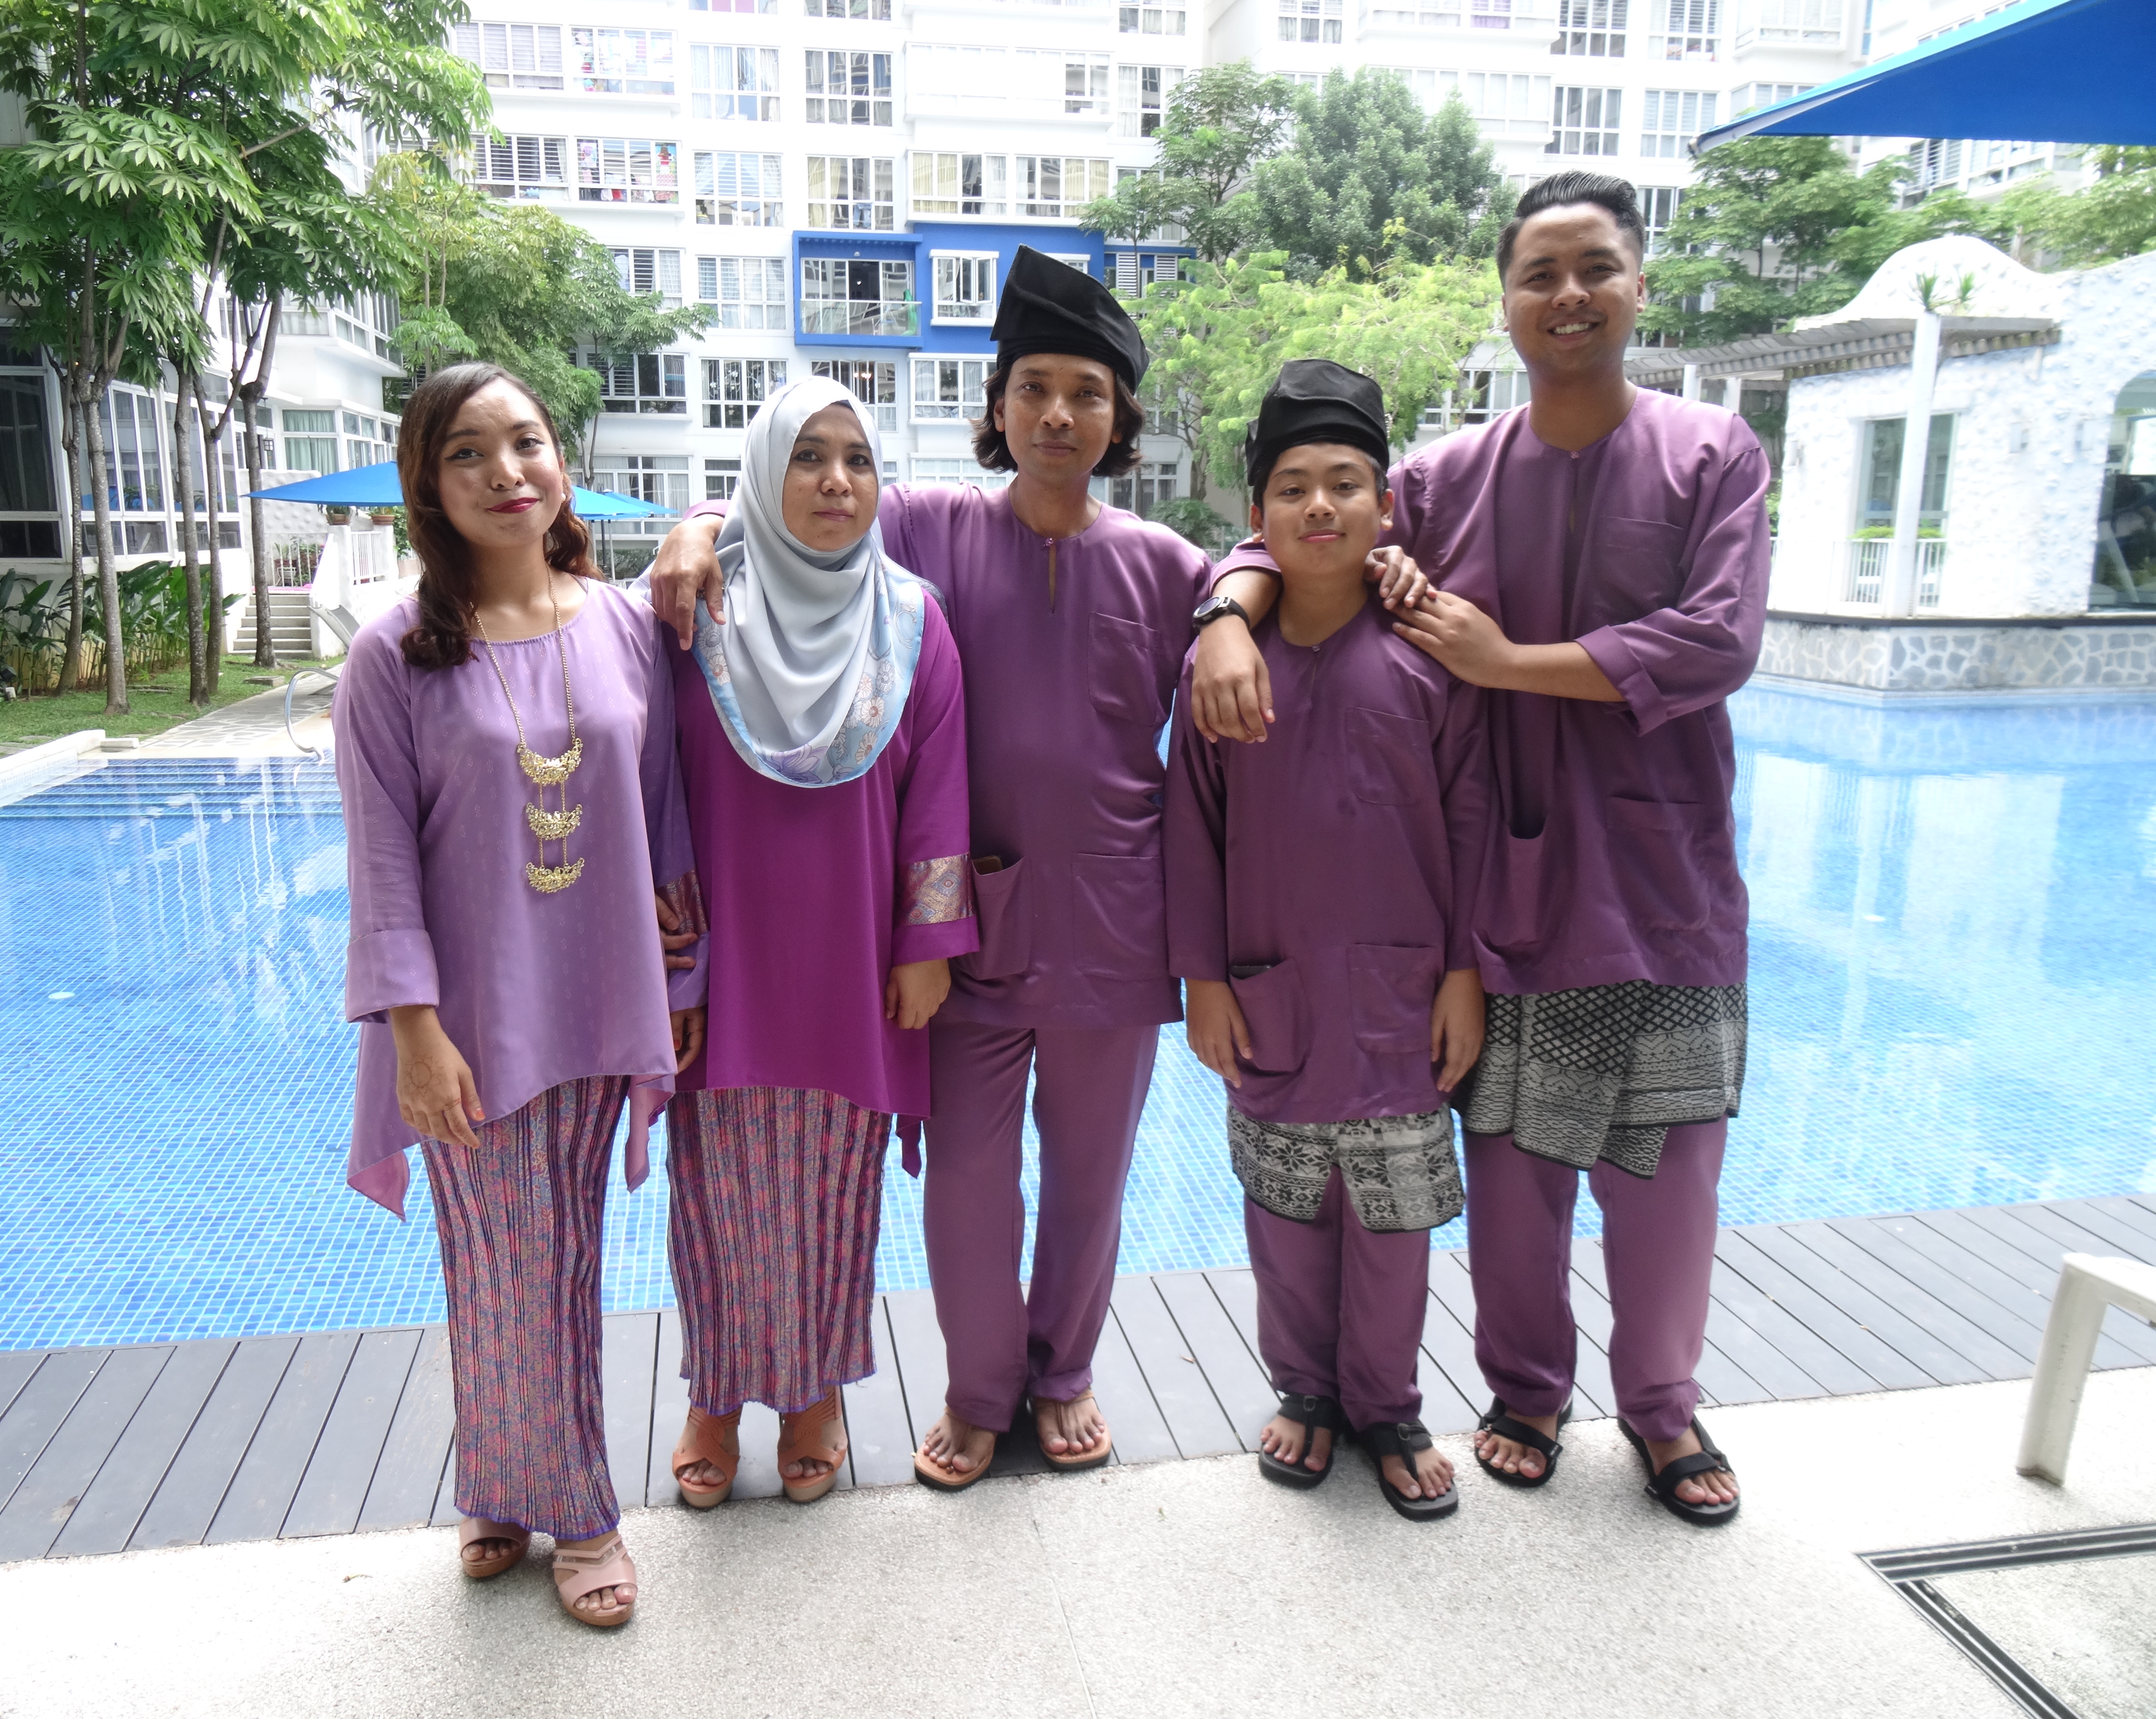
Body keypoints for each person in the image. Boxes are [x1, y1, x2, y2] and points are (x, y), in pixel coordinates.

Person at [1192, 172, 1767, 1527]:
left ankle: (1667, 1411)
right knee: (1515, 1182)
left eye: (1596, 269)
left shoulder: (1710, 456)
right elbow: (1305, 528)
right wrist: (1225, 605)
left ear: (1640, 285)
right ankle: (1524, 1391)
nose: (1569, 296)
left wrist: (1509, 660)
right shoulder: (1443, 482)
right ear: (1505, 302)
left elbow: (1720, 639)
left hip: (1663, 885)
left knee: (1668, 1175)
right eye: (1540, 275)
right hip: (1502, 895)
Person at [651, 249, 1214, 1489]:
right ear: (1000, 409)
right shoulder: (931, 527)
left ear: (1120, 418)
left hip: (1118, 928)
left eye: (1088, 392)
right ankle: (978, 1392)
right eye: (1035, 389)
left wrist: (1239, 605)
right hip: (971, 937)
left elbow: (1253, 581)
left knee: (1088, 1180)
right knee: (965, 1179)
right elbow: (796, 511)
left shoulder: (1171, 566)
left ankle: (1061, 1378)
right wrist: (692, 530)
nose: (1060, 414)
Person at [333, 362, 705, 1627]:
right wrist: (414, 1037)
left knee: (560, 1259)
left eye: (528, 444)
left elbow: (662, 812)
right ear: (428, 489)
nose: (507, 474)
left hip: (600, 1003)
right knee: (502, 1261)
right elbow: (381, 868)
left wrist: (682, 964)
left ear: (562, 460)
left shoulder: (620, 624)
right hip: (471, 1027)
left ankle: (500, 1480)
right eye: (469, 456)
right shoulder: (392, 658)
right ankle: (583, 1514)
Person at [1168, 360, 1489, 1518]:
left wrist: (1464, 976)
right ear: (1256, 517)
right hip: (1272, 990)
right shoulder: (1220, 676)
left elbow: (1471, 824)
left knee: (1394, 1226)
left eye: (1345, 484)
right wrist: (1203, 980)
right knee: (1288, 1215)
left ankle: (1390, 1404)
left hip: (1406, 997)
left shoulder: (1429, 665)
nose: (1319, 507)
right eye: (1293, 486)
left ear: (1385, 508)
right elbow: (1190, 835)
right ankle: (1305, 1393)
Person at [658, 375, 977, 1508]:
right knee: (718, 1192)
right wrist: (670, 954)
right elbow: (653, 790)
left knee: (837, 1194)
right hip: (724, 962)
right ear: (760, 474)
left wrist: (927, 942)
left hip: (854, 960)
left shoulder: (912, 617)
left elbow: (940, 787)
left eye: (857, 459)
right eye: (808, 457)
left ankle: (812, 1395)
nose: (836, 481)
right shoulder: (694, 611)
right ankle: (714, 1390)